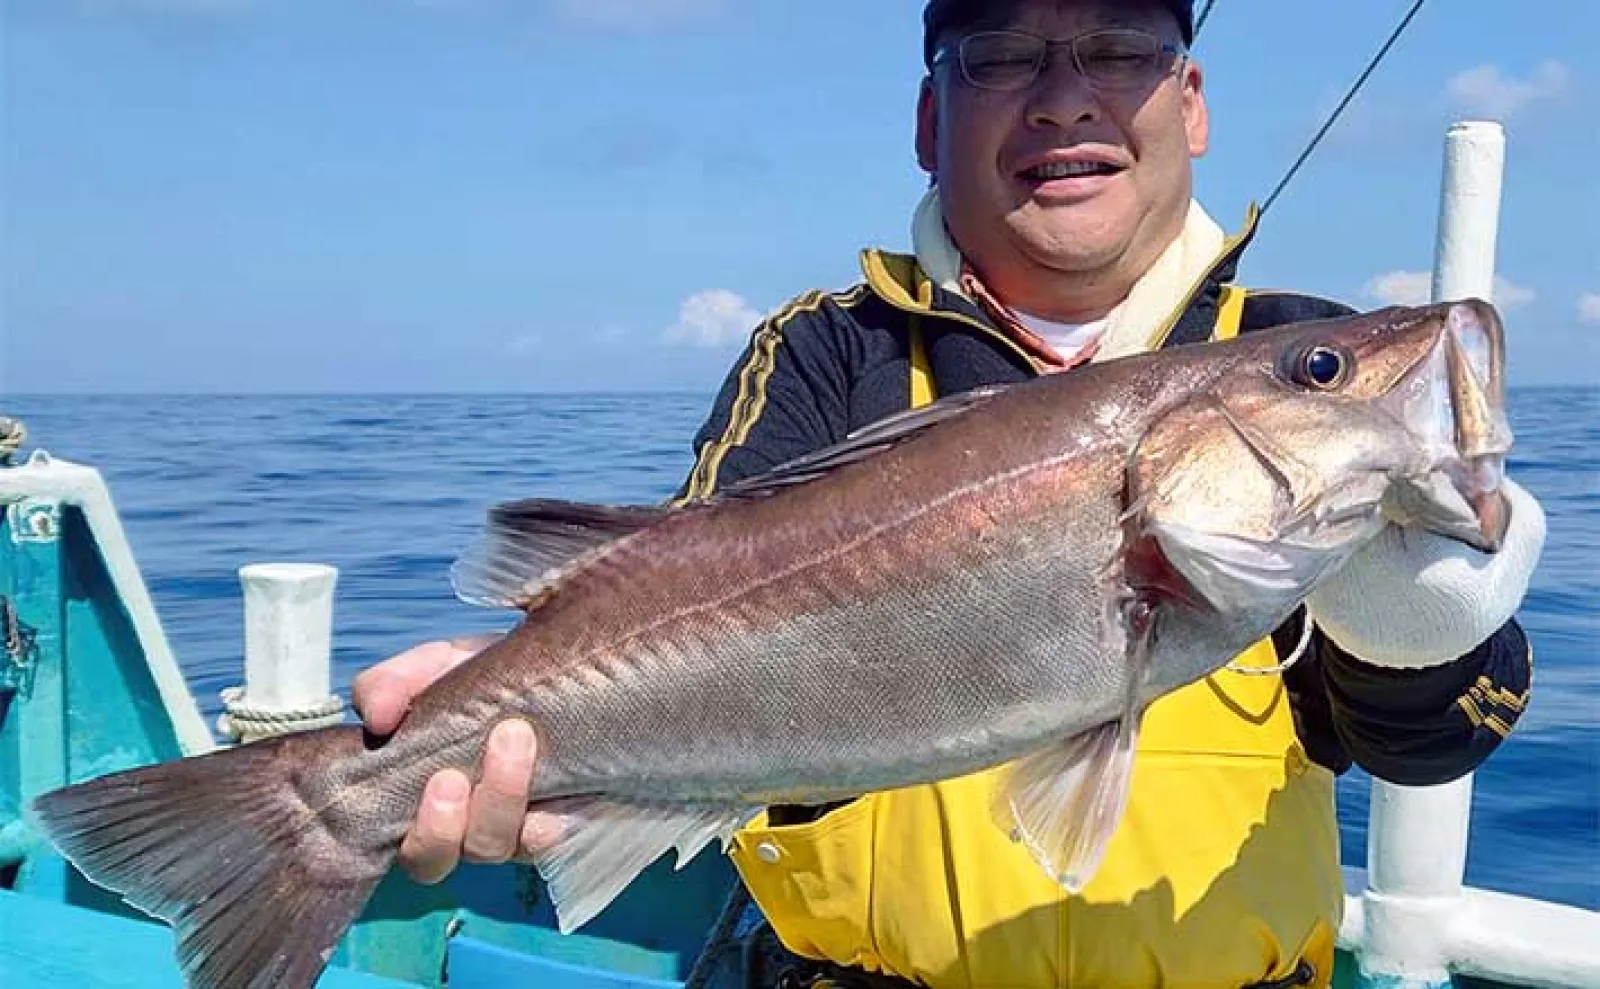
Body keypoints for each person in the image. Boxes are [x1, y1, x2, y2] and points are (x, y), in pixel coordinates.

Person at [352, 1, 1546, 986]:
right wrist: (534, 721)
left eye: (1122, 49)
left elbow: (1429, 744)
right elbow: (685, 598)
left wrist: (1419, 627)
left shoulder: (1290, 338)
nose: (1065, 96)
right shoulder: (826, 353)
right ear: (930, 117)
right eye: (1004, 54)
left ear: (1190, 103)